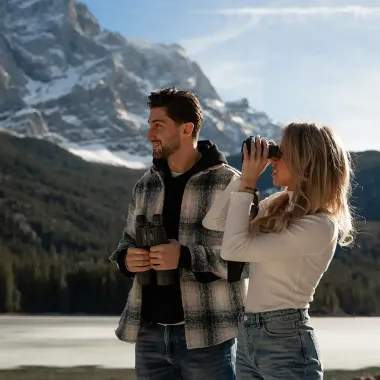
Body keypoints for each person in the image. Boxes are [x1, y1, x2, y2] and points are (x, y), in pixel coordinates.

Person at [109, 87, 248, 380]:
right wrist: (126, 259)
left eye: (158, 126)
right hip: (149, 333)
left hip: (208, 336)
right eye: (149, 125)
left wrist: (185, 256)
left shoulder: (231, 184)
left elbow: (246, 262)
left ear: (187, 129)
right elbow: (128, 240)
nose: (149, 135)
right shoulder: (145, 185)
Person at [202, 123, 354, 380]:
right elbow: (213, 223)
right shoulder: (277, 205)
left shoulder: (320, 225)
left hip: (286, 338)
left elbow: (234, 249)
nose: (274, 158)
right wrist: (244, 178)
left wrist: (250, 183)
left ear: (305, 161)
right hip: (249, 333)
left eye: (283, 152)